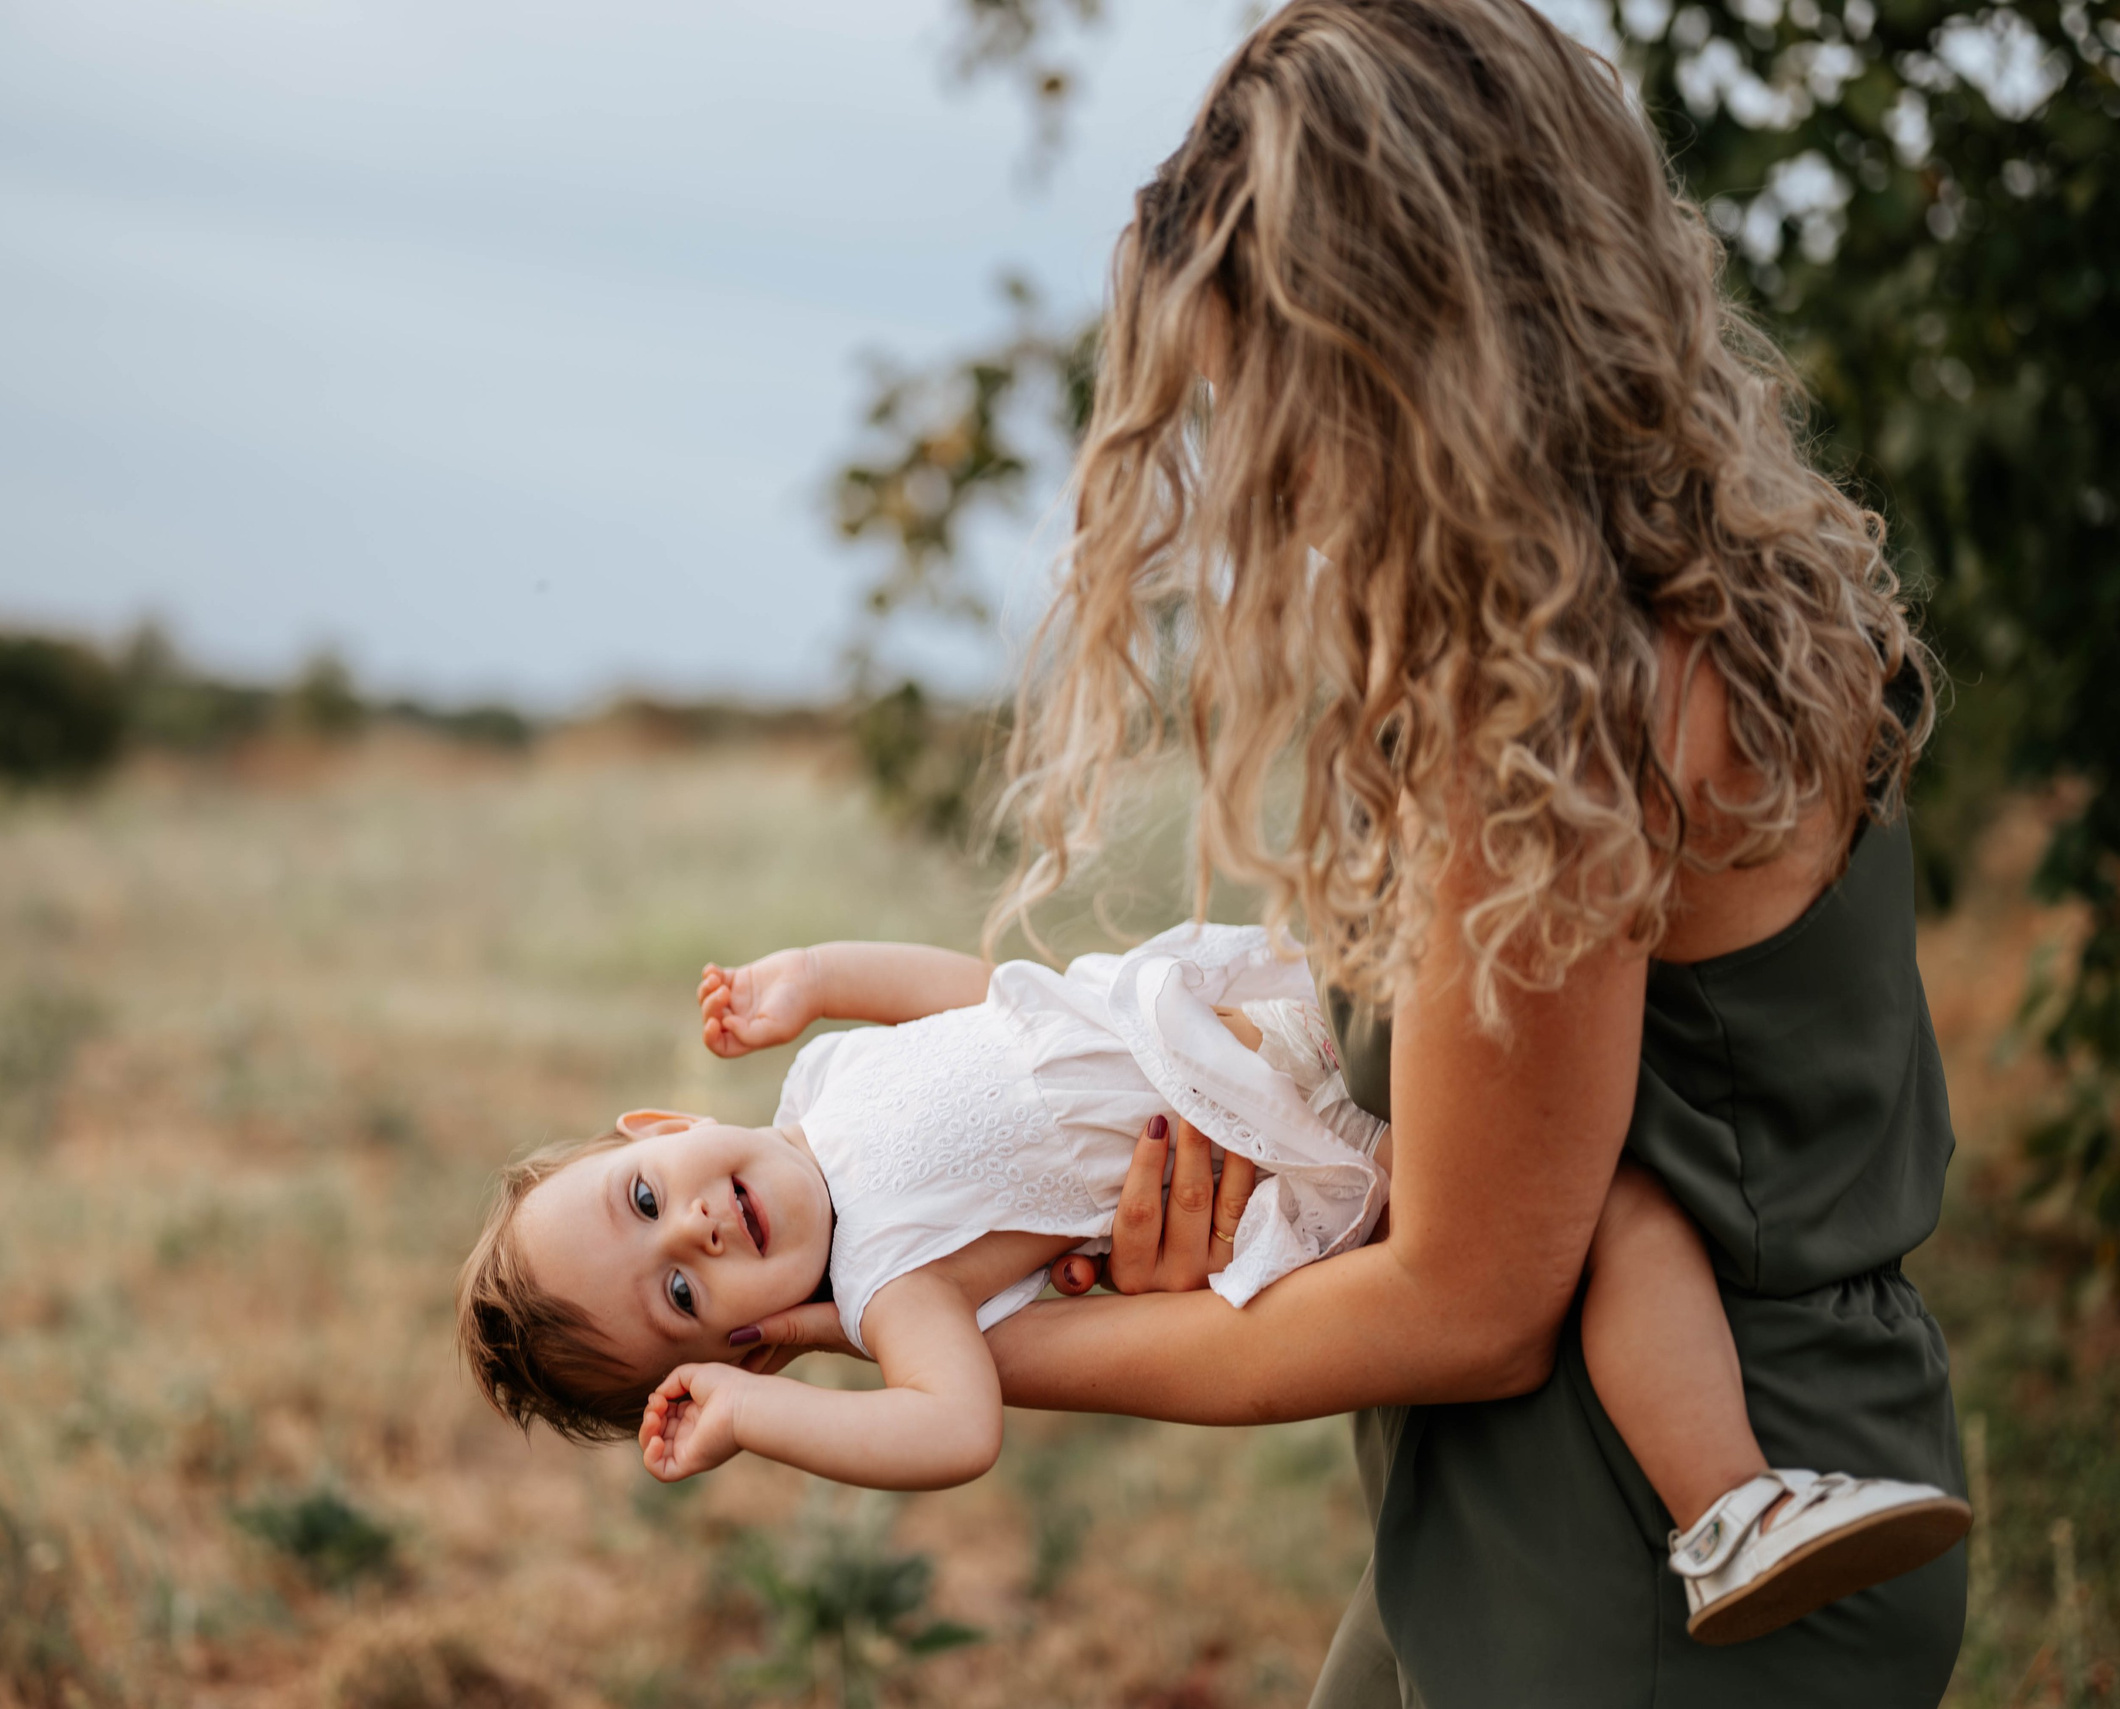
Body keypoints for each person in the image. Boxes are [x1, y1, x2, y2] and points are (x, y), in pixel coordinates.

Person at [723, 0, 1970, 1700]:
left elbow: (1469, 1302)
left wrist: (934, 1327)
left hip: (1645, 1555)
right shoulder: (1739, 600)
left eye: (1283, 401)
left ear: (1411, 362)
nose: (1269, 480)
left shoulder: (1552, 715)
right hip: (1656, 1475)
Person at [456, 923, 1963, 1646]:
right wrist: (754, 1417)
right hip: (1300, 1144)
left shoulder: (827, 1077)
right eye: (675, 1297)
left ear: (658, 1129)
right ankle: (1734, 1501)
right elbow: (952, 1432)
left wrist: (808, 976)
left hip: (1257, 1010)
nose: (697, 1233)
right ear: (744, 1340)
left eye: (649, 1195)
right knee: (1618, 1206)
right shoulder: (887, 1282)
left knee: (1601, 1135)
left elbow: (984, 993)